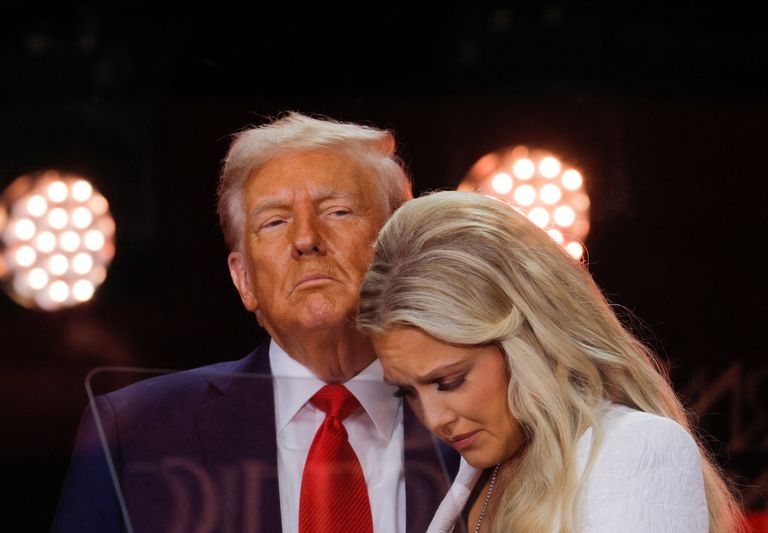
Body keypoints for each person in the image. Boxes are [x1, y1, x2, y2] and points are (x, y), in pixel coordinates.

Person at [52, 112, 452, 533]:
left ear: (401, 248)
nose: (305, 240)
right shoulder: (133, 430)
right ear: (244, 279)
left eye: (337, 211)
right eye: (275, 221)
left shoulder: (487, 418)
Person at [357, 191, 744, 532]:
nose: (434, 418)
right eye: (407, 391)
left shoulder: (634, 447)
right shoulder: (474, 474)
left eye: (450, 381)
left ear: (528, 341)